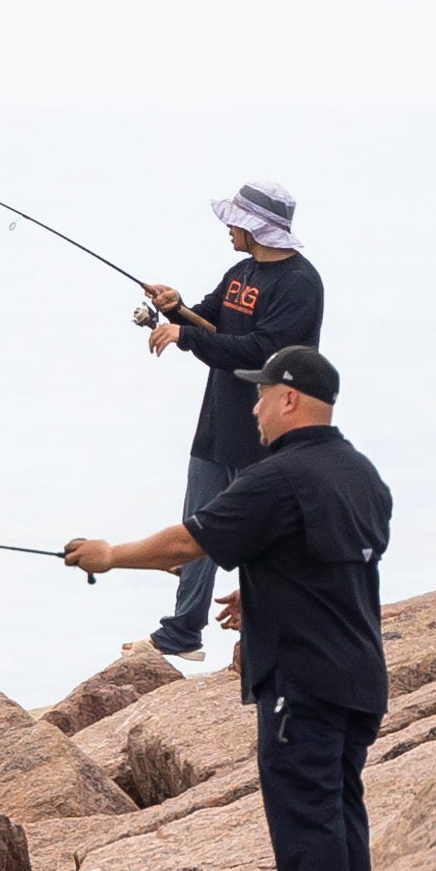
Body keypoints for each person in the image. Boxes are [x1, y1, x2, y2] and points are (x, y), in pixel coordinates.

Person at [64, 346, 393, 871]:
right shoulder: (362, 475)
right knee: (340, 810)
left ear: (289, 399)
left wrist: (110, 555)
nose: (253, 409)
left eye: (260, 395)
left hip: (303, 686)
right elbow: (331, 563)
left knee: (308, 827)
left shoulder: (276, 477)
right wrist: (264, 590)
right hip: (360, 679)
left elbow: (185, 541)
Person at [128, 179, 325, 663]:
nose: (228, 229)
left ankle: (273, 627)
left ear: (255, 227)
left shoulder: (300, 283)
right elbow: (212, 318)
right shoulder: (241, 270)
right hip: (218, 421)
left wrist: (186, 337)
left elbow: (263, 352)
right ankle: (182, 635)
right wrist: (178, 309)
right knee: (196, 529)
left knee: (264, 535)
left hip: (267, 428)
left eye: (235, 221)